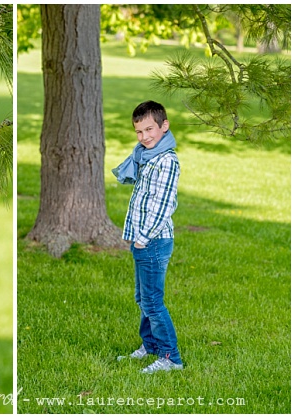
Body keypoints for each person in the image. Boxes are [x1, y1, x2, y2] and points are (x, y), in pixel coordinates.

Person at [112, 100, 183, 374]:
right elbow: (141, 200)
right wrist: (132, 235)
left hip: (153, 241)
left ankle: (170, 357)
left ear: (164, 126)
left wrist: (142, 237)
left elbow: (162, 205)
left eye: (150, 129)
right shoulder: (147, 156)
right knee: (143, 298)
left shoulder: (167, 161)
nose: (145, 137)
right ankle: (150, 346)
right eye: (139, 132)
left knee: (153, 301)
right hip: (142, 240)